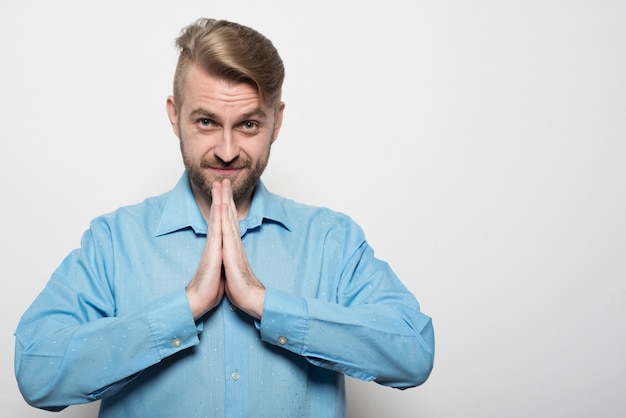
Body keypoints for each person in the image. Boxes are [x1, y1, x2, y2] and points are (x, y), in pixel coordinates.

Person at [14, 18, 434, 417]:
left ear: (277, 121)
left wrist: (265, 303)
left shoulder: (331, 240)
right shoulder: (114, 240)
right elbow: (36, 371)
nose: (228, 151)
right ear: (175, 116)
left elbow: (413, 352)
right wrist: (185, 307)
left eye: (248, 124)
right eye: (206, 122)